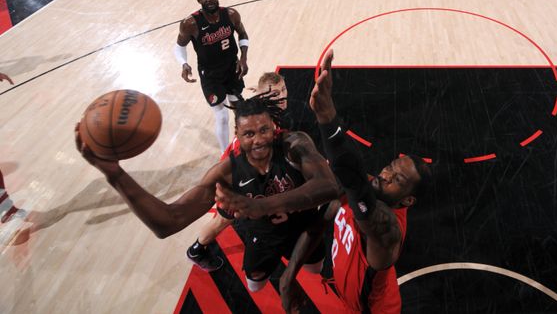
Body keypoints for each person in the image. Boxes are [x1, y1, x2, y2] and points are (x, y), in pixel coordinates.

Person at [229, 50, 432, 313]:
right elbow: (326, 206)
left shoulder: (387, 231)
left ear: (407, 200)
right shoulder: (369, 186)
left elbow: (353, 181)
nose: (385, 175)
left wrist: (328, 120)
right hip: (345, 292)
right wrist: (290, 275)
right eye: (389, 167)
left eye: (397, 179)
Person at [76, 94, 339, 291]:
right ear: (237, 133)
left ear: (274, 127)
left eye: (264, 130)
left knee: (314, 270)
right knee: (254, 286)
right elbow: (168, 222)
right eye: (249, 133)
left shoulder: (295, 144)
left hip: (305, 231)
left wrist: (262, 206)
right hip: (264, 239)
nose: (258, 139)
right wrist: (115, 175)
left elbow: (329, 186)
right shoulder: (225, 173)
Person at [187, 72, 289, 271]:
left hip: (243, 172)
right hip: (234, 180)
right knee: (223, 220)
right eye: (275, 93)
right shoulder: (258, 122)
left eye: (284, 90)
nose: (282, 96)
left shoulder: (263, 111)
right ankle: (196, 250)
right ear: (263, 96)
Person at [175, 0, 249, 152]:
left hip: (232, 68)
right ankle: (225, 155)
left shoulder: (230, 14)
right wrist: (184, 63)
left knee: (238, 108)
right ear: (198, 0)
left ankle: (242, 143)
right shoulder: (190, 23)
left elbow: (242, 34)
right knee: (222, 115)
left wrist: (243, 58)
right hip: (210, 74)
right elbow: (180, 46)